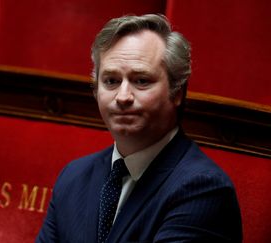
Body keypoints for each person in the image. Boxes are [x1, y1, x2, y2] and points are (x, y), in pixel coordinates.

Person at [36, 14, 242, 242]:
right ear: (96, 91)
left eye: (141, 81)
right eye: (111, 81)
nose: (123, 97)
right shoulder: (74, 177)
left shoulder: (203, 190)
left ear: (177, 93)